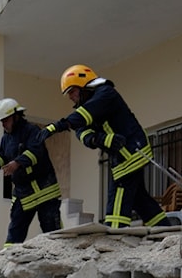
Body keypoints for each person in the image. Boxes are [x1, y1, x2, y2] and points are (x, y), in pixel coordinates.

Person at [39, 64, 169, 229]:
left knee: (117, 198)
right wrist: (98, 139)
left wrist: (58, 126)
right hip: (121, 155)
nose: (70, 97)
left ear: (83, 85)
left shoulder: (106, 94)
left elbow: (85, 115)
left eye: (72, 91)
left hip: (131, 151)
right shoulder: (87, 106)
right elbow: (82, 132)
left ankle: (115, 236)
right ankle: (164, 230)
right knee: (139, 199)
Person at [0, 98, 62, 246]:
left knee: (52, 232)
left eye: (6, 120)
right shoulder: (6, 138)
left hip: (45, 191)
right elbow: (3, 156)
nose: (3, 124)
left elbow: (36, 152)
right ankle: (6, 263)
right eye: (1, 121)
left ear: (16, 116)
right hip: (23, 193)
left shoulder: (32, 130)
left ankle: (60, 261)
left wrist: (17, 163)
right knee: (15, 232)